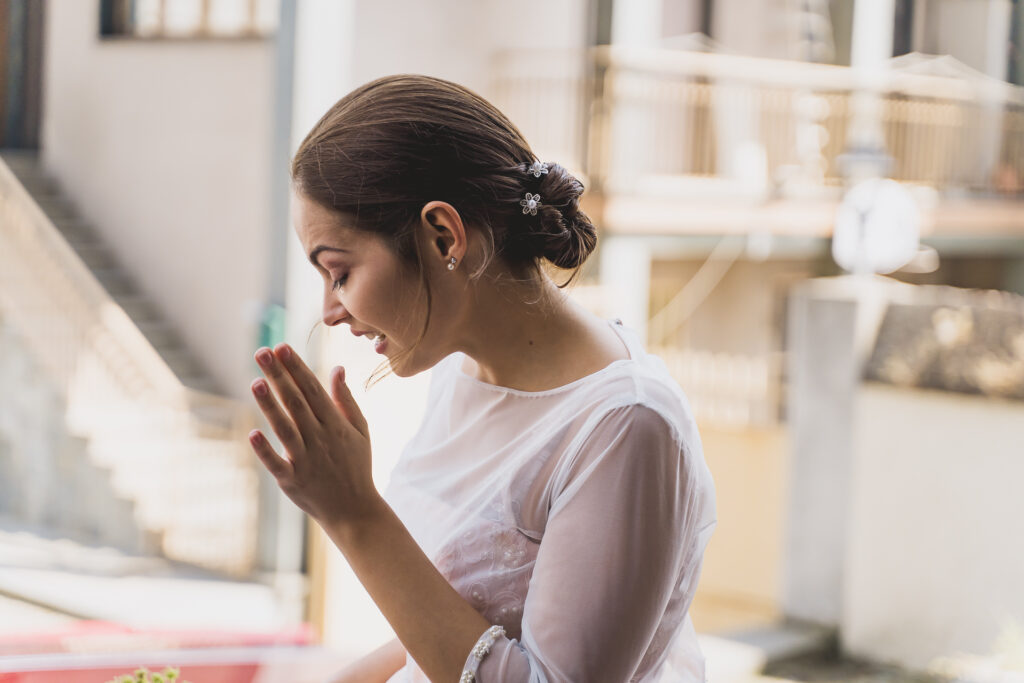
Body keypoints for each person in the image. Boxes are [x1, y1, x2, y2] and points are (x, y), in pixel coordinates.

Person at [248, 74, 717, 683]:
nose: (330, 312)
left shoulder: (624, 425)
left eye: (339, 273)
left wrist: (354, 515)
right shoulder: (462, 373)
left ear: (443, 235)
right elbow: (452, 629)